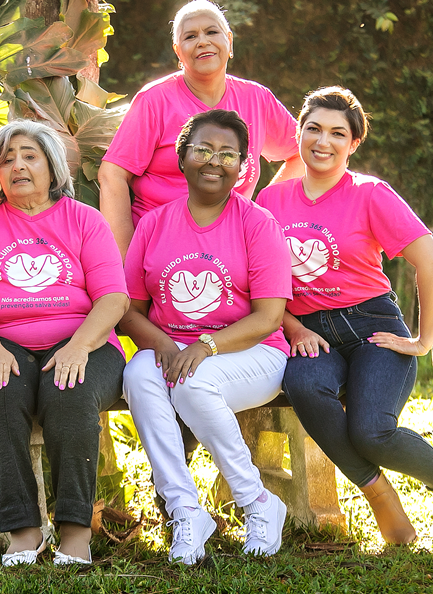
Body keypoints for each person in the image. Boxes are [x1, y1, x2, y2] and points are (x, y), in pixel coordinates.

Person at [255, 86, 433, 545]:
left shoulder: (370, 193)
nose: (323, 141)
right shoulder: (272, 201)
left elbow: (432, 262)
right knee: (302, 383)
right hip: (308, 331)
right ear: (299, 133)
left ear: (354, 143)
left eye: (338, 133)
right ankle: (380, 495)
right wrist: (292, 326)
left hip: (372, 327)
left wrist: (424, 340)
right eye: (313, 128)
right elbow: (257, 282)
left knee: (372, 431)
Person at [0, 120, 129, 566]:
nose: (18, 166)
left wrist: (79, 345)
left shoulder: (84, 219)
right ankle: (24, 529)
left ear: (52, 166)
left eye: (29, 155)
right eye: (6, 160)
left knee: (71, 395)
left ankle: (74, 529)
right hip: (1, 343)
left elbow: (112, 298)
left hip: (83, 341)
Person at [119, 109, 293, 564]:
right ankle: (186, 510)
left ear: (242, 166)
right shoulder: (154, 224)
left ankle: (257, 501)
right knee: (139, 375)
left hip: (252, 352)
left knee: (194, 380)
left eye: (228, 153)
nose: (214, 161)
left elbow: (270, 316)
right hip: (174, 348)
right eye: (203, 149)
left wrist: (205, 346)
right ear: (182, 159)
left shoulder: (257, 223)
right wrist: (165, 346)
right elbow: (130, 311)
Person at [98, 0, 304, 260]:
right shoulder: (155, 100)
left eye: (211, 32)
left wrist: (260, 211)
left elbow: (301, 154)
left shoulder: (257, 99)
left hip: (232, 248)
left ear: (229, 40)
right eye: (190, 36)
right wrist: (125, 261)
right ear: (178, 52)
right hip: (159, 247)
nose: (202, 41)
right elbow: (112, 175)